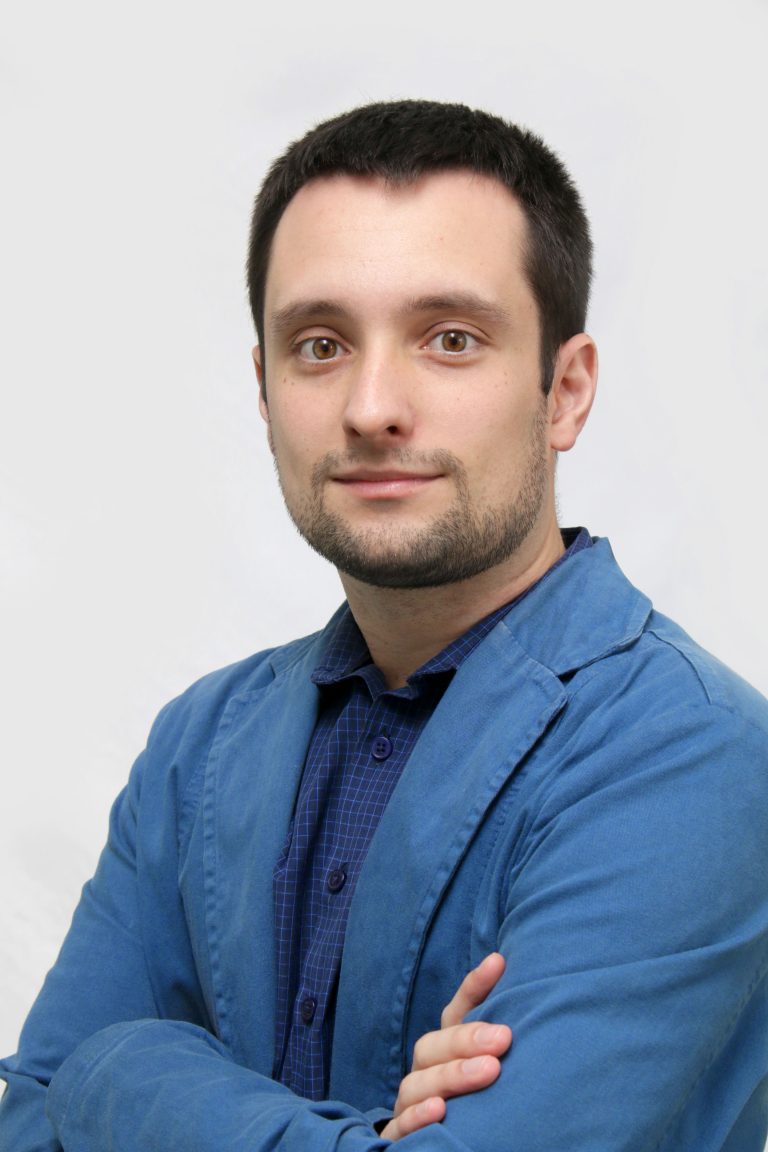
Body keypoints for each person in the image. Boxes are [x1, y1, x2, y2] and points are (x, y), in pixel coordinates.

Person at [1, 99, 767, 1152]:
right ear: (264, 391)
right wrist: (368, 1135)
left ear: (565, 391)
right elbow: (26, 1123)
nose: (371, 408)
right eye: (319, 345)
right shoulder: (198, 744)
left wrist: (122, 1071)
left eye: (450, 339)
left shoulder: (690, 755)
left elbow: (69, 1087)